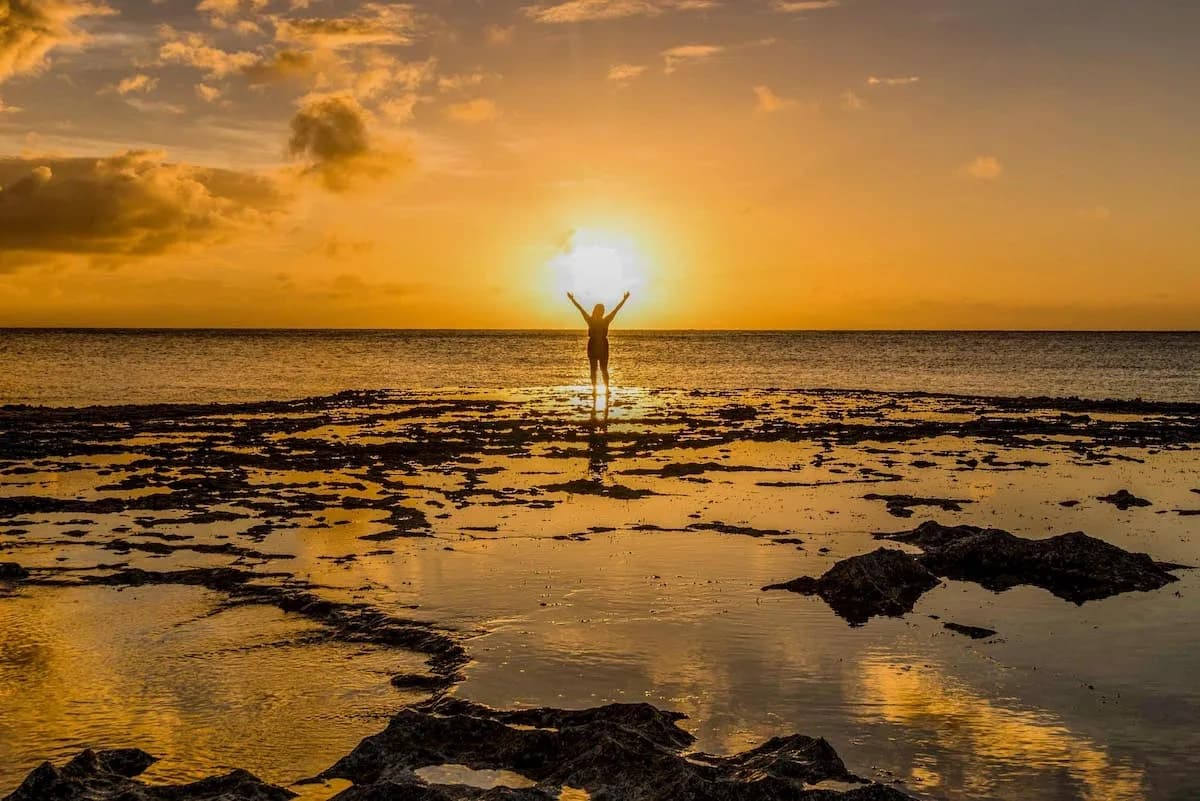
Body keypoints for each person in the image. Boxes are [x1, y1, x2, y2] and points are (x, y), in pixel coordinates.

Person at [567, 290, 630, 398]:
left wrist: (624, 299)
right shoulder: (590, 320)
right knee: (593, 369)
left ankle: (606, 389)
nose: (602, 312)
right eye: (601, 310)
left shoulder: (605, 320)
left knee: (603, 369)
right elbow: (581, 309)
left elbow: (616, 310)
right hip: (593, 346)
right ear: (596, 311)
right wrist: (572, 299)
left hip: (603, 346)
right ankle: (595, 389)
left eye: (603, 310)